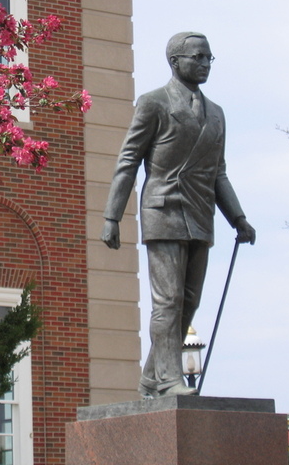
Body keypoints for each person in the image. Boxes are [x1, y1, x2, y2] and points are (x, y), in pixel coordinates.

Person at [101, 32, 255, 398]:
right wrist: (112, 216)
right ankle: (169, 379)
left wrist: (238, 218)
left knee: (189, 302)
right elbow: (128, 161)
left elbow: (219, 172)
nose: (204, 64)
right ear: (176, 61)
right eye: (197, 57)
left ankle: (151, 377)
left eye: (208, 58)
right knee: (167, 301)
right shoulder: (153, 103)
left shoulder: (216, 114)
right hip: (164, 211)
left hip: (200, 216)